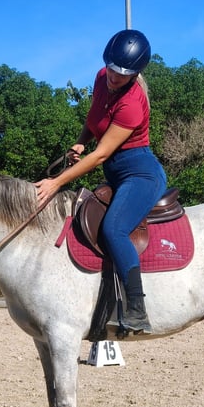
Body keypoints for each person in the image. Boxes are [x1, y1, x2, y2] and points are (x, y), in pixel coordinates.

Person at [35, 29, 167, 334]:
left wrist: (55, 183)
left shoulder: (132, 103)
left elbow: (100, 155)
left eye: (122, 74)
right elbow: (93, 117)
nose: (113, 77)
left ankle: (137, 309)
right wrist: (81, 141)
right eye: (111, 68)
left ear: (136, 74)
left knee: (114, 229)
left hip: (140, 172)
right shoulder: (101, 77)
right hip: (115, 172)